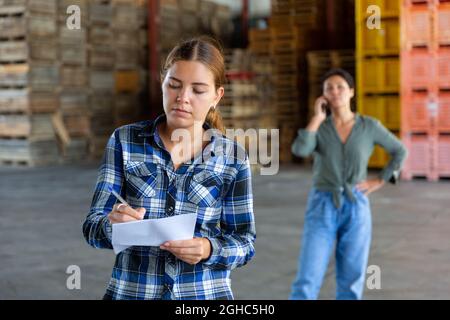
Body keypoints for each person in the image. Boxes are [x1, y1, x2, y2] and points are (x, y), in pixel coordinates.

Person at [82, 37, 256, 300]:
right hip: (133, 293)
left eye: (198, 90)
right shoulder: (124, 141)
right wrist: (112, 223)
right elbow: (92, 228)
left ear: (217, 96)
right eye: (174, 85)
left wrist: (209, 249)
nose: (182, 98)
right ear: (162, 82)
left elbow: (245, 242)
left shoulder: (232, 157)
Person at [289, 68, 408, 300]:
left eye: (340, 87)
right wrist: (316, 118)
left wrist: (382, 179)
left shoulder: (369, 126)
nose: (335, 91)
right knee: (308, 276)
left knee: (352, 279)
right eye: (328, 88)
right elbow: (300, 150)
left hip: (357, 206)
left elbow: (399, 151)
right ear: (323, 95)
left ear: (351, 92)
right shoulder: (320, 128)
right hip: (322, 204)